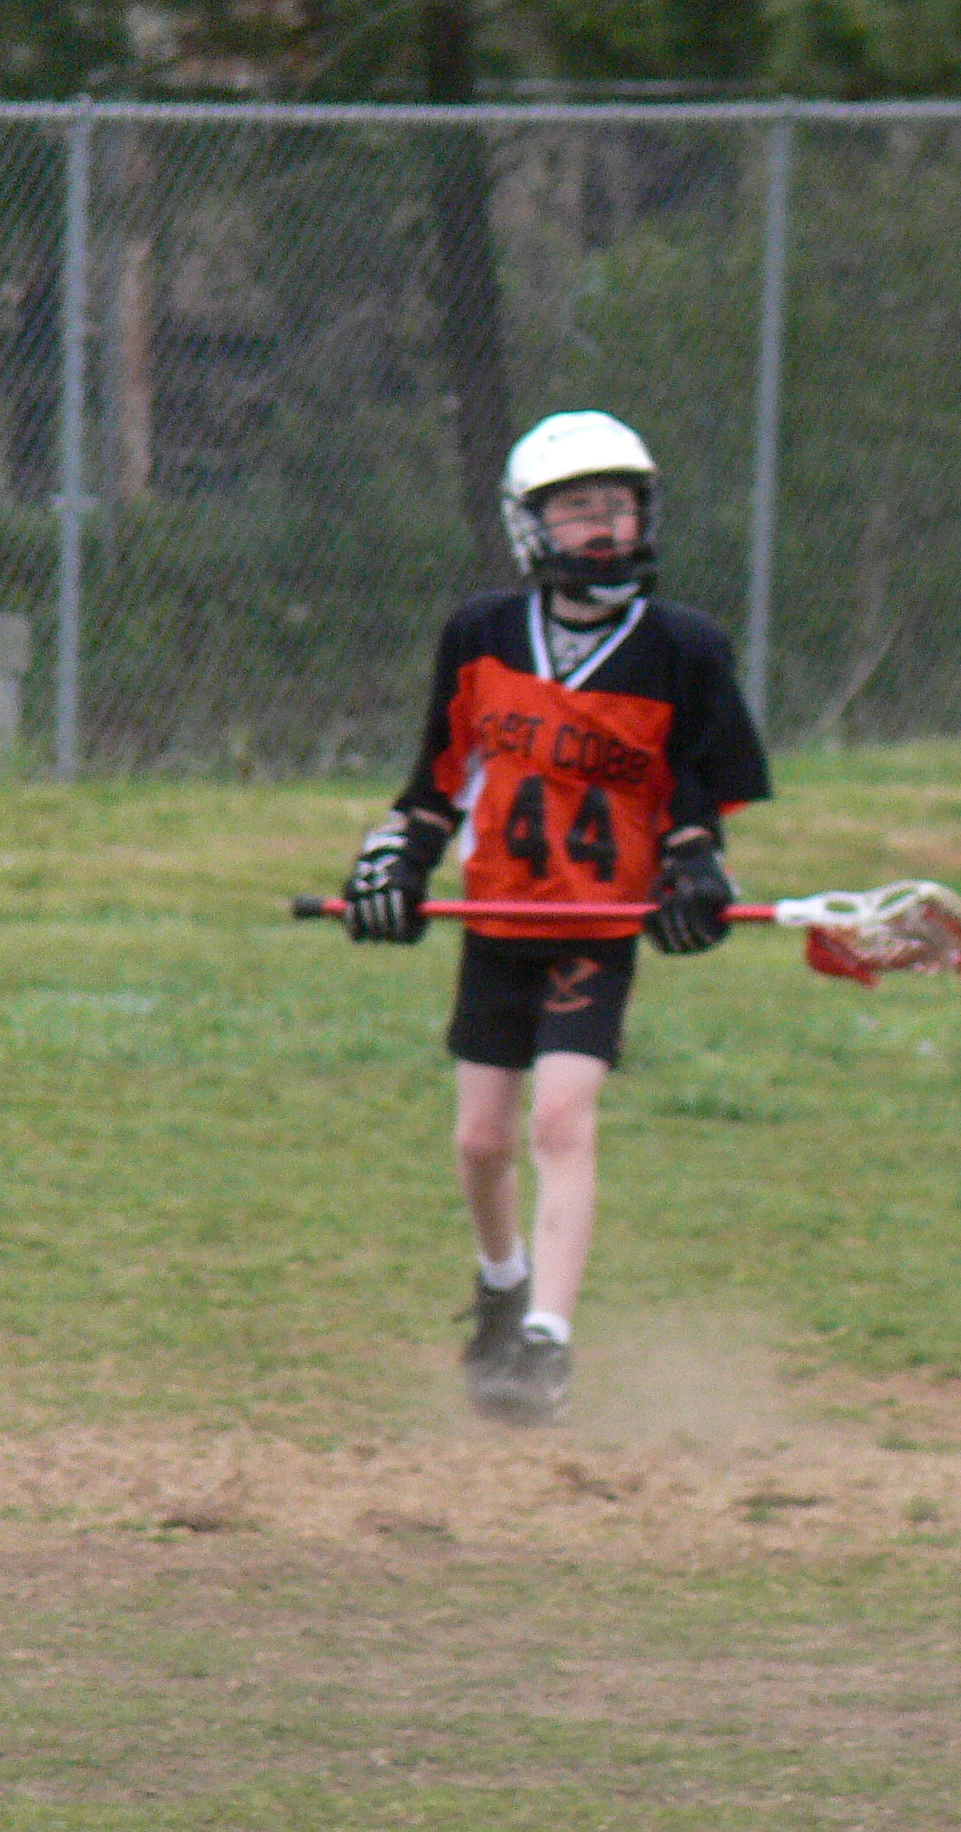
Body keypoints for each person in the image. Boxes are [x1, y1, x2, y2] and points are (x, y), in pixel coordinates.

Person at [340, 410, 771, 1425]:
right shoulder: (481, 635)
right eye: (579, 510)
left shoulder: (683, 648)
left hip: (595, 929)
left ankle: (547, 1342)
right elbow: (435, 785)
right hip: (498, 924)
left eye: (619, 506)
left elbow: (692, 802)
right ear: (531, 526)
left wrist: (695, 874)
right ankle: (503, 1287)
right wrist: (394, 861)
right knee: (479, 1142)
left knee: (561, 1121)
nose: (605, 528)